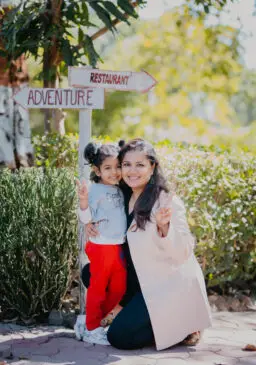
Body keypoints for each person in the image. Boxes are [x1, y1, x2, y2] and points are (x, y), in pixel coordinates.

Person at [82, 138, 212, 351]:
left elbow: (183, 252)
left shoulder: (165, 200)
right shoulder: (122, 195)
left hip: (166, 284)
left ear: (153, 167)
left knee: (120, 338)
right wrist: (90, 223)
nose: (132, 171)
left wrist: (164, 229)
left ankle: (183, 324)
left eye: (140, 165)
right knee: (91, 272)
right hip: (139, 278)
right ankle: (132, 312)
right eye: (127, 164)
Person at [76, 142, 127, 346]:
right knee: (97, 288)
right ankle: (91, 328)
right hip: (101, 246)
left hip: (117, 246)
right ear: (97, 170)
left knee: (119, 288)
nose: (114, 172)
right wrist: (83, 203)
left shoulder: (120, 189)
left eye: (117, 167)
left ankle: (91, 321)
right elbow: (85, 216)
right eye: (108, 168)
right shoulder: (94, 190)